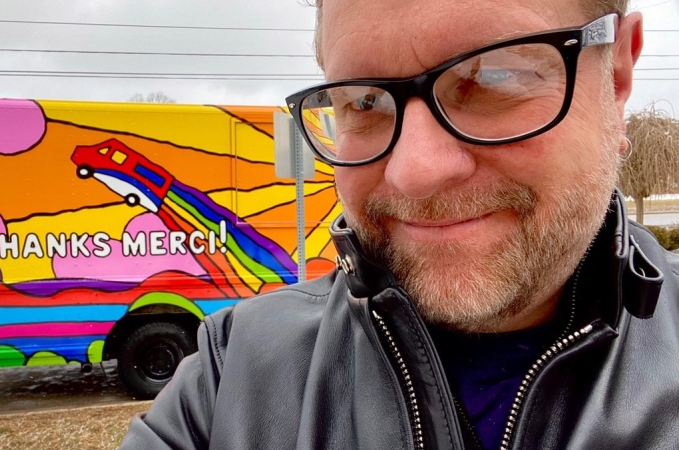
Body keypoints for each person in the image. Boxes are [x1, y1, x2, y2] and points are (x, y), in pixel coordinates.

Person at [120, 0, 679, 448]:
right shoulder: (232, 379)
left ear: (617, 75)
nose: (416, 172)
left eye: (493, 77)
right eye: (364, 102)